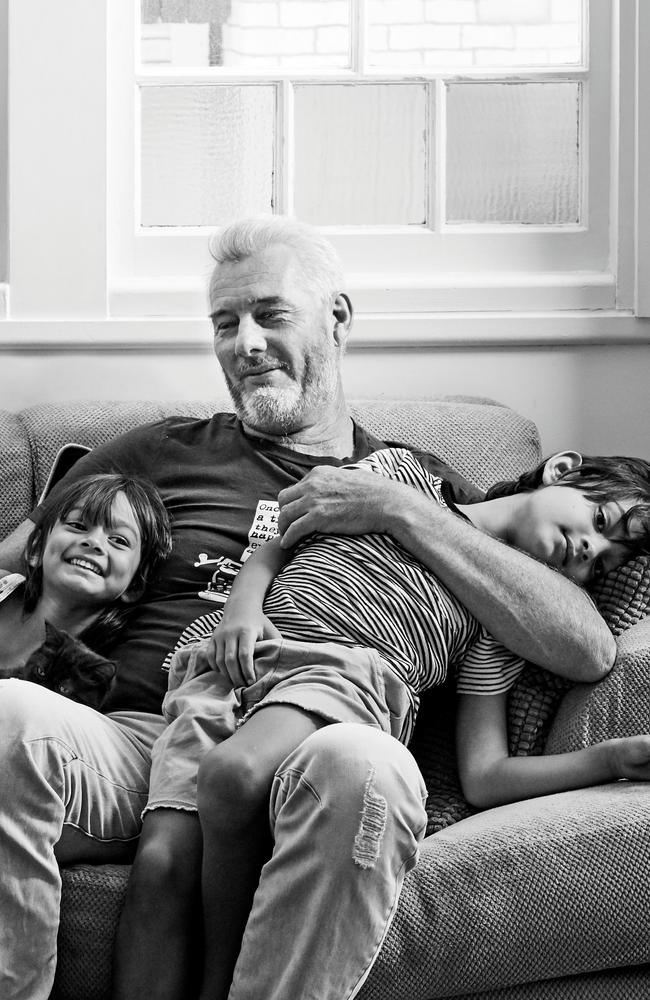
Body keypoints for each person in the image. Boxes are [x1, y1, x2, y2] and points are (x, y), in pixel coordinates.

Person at [0, 216, 615, 1000]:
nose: (245, 342)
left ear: (338, 318)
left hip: (307, 737)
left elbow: (586, 647)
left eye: (270, 313)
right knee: (10, 714)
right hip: (132, 734)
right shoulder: (162, 448)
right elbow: (20, 558)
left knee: (368, 770)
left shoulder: (415, 483)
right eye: (225, 324)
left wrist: (396, 509)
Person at [121, 446, 650, 1000]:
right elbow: (278, 541)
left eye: (603, 564)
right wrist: (242, 609)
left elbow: (485, 772)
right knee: (160, 865)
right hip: (228, 661)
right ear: (561, 470)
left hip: (349, 677)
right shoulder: (398, 473)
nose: (591, 551)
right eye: (601, 521)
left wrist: (607, 759)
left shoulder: (505, 614)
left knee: (232, 773)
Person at [0, 473, 171, 705]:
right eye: (78, 525)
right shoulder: (4, 586)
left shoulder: (99, 676)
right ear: (37, 548)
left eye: (119, 540)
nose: (94, 542)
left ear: (136, 583)